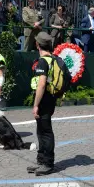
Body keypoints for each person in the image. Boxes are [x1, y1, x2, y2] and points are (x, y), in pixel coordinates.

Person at [27, 32, 60, 176]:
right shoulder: (52, 59)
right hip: (49, 98)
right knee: (41, 130)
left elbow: (41, 85)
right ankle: (41, 160)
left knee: (45, 131)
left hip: (44, 98)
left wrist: (35, 105)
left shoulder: (43, 61)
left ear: (37, 44)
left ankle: (48, 163)